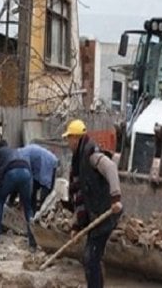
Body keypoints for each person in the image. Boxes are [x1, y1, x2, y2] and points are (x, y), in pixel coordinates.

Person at [64, 119, 123, 288]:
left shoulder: (91, 154)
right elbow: (80, 197)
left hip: (106, 212)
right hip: (95, 214)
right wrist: (77, 226)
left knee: (90, 257)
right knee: (92, 258)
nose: (67, 142)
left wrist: (115, 197)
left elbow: (111, 168)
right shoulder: (77, 162)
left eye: (69, 138)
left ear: (76, 138)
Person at [9, 144, 59, 212]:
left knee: (45, 189)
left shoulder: (22, 156)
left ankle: (41, 213)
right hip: (40, 165)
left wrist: (22, 203)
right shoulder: (20, 155)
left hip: (47, 162)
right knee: (33, 189)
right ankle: (33, 211)